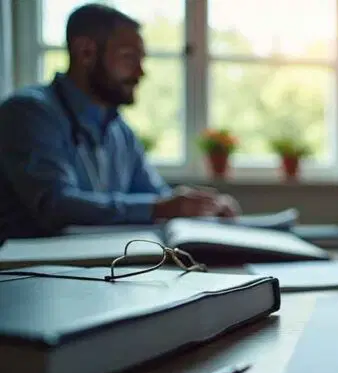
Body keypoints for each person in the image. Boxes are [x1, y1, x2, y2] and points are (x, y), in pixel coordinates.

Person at [0, 3, 240, 238]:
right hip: (32, 269)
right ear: (85, 52)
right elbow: (55, 205)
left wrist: (205, 206)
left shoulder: (120, 131)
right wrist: (161, 207)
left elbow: (156, 196)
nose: (140, 72)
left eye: (141, 59)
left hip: (99, 267)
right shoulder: (28, 112)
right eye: (129, 58)